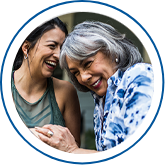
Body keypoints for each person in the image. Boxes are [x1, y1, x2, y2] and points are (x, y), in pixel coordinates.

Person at [35, 21, 154, 154]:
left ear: (112, 51)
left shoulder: (139, 76)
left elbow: (143, 152)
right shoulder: (101, 102)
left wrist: (72, 151)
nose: (83, 77)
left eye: (87, 63)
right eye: (76, 73)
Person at [12, 12, 81, 154]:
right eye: (52, 46)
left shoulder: (66, 91)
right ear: (26, 47)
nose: (58, 55)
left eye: (62, 48)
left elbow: (73, 149)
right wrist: (31, 134)